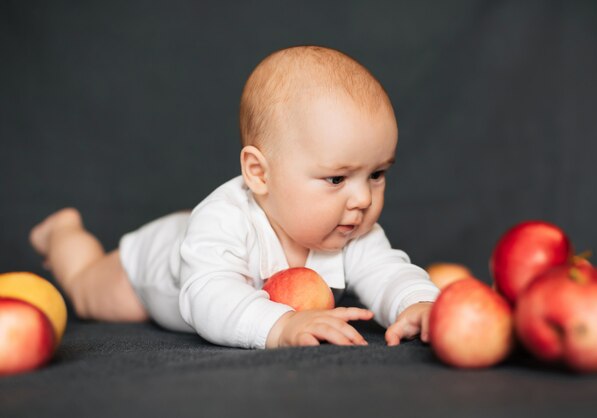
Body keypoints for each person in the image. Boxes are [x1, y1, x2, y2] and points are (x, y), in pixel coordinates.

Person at [30, 45, 439, 349]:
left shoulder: (351, 227)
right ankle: (62, 232)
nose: (363, 199)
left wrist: (417, 303)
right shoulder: (224, 222)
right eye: (336, 179)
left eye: (377, 174)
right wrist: (278, 327)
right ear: (259, 174)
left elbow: (388, 270)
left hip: (203, 232)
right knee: (87, 291)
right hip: (155, 265)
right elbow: (209, 297)